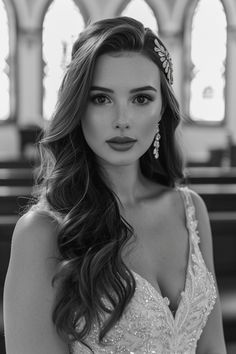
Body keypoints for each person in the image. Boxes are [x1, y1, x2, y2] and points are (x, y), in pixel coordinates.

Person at [3, 16, 226, 354]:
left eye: (141, 99)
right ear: (78, 108)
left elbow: (212, 348)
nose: (122, 120)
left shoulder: (190, 209)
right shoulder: (41, 233)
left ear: (162, 109)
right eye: (101, 99)